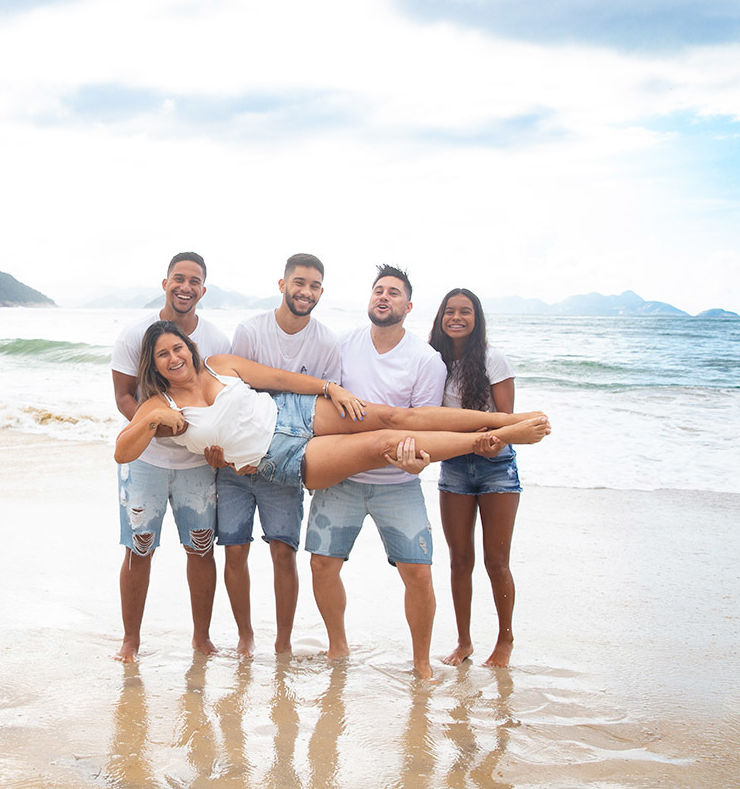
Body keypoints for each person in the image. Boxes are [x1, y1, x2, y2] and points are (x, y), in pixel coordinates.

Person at [114, 321, 550, 492]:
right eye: (163, 356)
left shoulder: (219, 364)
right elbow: (123, 451)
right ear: (154, 365)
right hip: (282, 458)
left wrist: (330, 388)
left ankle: (506, 418)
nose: (175, 358)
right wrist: (150, 416)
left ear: (189, 347)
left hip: (295, 411)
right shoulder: (159, 403)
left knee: (397, 414)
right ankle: (487, 440)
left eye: (178, 348)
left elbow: (280, 379)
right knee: (385, 441)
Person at [305, 264, 447, 680]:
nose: (384, 297)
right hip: (342, 478)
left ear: (408, 305)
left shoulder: (426, 359)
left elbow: (424, 426)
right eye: (378, 290)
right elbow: (325, 407)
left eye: (394, 292)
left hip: (398, 483)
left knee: (418, 574)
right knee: (321, 566)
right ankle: (337, 646)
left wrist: (419, 460)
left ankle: (421, 663)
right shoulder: (343, 345)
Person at [212, 254, 343, 657]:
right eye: (299, 282)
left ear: (321, 291)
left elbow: (322, 412)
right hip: (237, 461)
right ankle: (245, 637)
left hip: (284, 462)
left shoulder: (326, 341)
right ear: (282, 283)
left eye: (315, 285)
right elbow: (235, 395)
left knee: (283, 551)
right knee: (234, 549)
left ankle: (283, 642)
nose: (306, 291)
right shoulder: (251, 330)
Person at [110, 252, 231, 663]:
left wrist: (214, 446)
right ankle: (131, 641)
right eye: (178, 278)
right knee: (139, 547)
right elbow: (125, 396)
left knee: (200, 548)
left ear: (203, 289)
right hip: (146, 461)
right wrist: (155, 425)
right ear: (165, 283)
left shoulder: (216, 339)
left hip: (198, 463)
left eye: (194, 281)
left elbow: (222, 402)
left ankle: (202, 637)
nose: (186, 287)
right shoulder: (134, 334)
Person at [428, 288, 522, 668]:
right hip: (454, 466)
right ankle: (464, 642)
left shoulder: (492, 360)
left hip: (496, 467)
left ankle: (504, 641)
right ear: (440, 317)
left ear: (476, 318)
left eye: (465, 312)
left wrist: (490, 442)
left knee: (496, 561)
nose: (456, 317)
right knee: (459, 559)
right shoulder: (433, 361)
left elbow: (507, 422)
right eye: (449, 311)